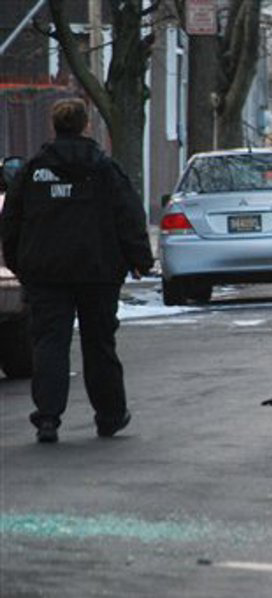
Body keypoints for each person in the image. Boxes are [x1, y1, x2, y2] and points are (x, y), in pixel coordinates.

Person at [0, 98, 153, 443]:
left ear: (55, 126)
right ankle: (110, 415)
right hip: (98, 271)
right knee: (99, 343)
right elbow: (128, 215)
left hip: (46, 273)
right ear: (86, 125)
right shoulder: (104, 169)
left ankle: (48, 418)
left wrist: (19, 262)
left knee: (49, 343)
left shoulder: (33, 170)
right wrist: (139, 258)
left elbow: (11, 221)